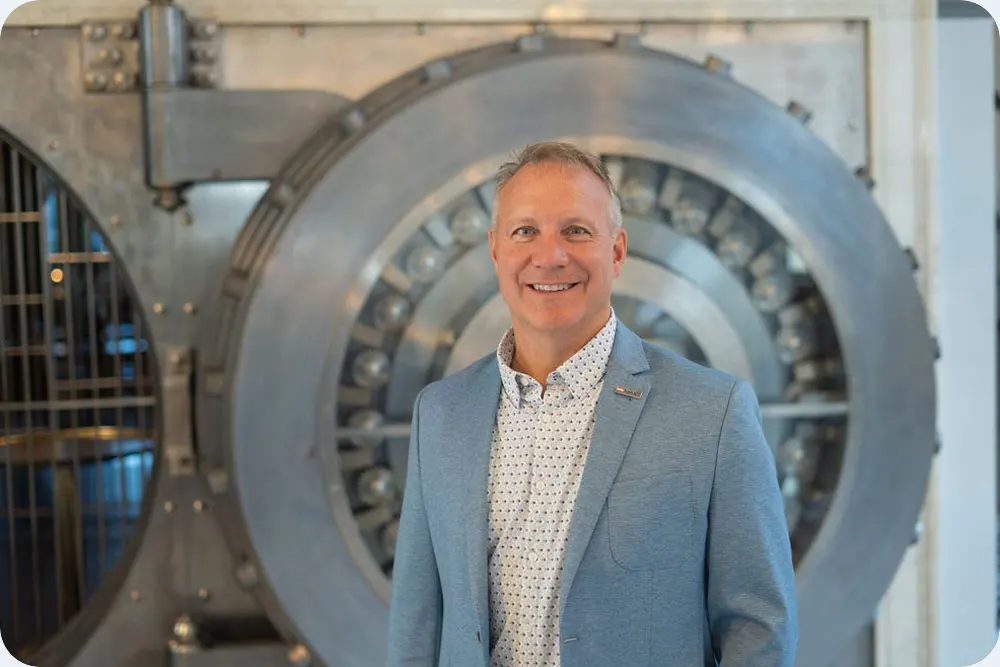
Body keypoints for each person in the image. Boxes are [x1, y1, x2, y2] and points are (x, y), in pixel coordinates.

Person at [386, 141, 797, 667]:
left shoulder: (713, 412)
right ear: (495, 250)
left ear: (617, 251)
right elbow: (417, 623)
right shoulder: (441, 414)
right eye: (525, 231)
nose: (550, 255)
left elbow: (758, 627)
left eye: (576, 231)